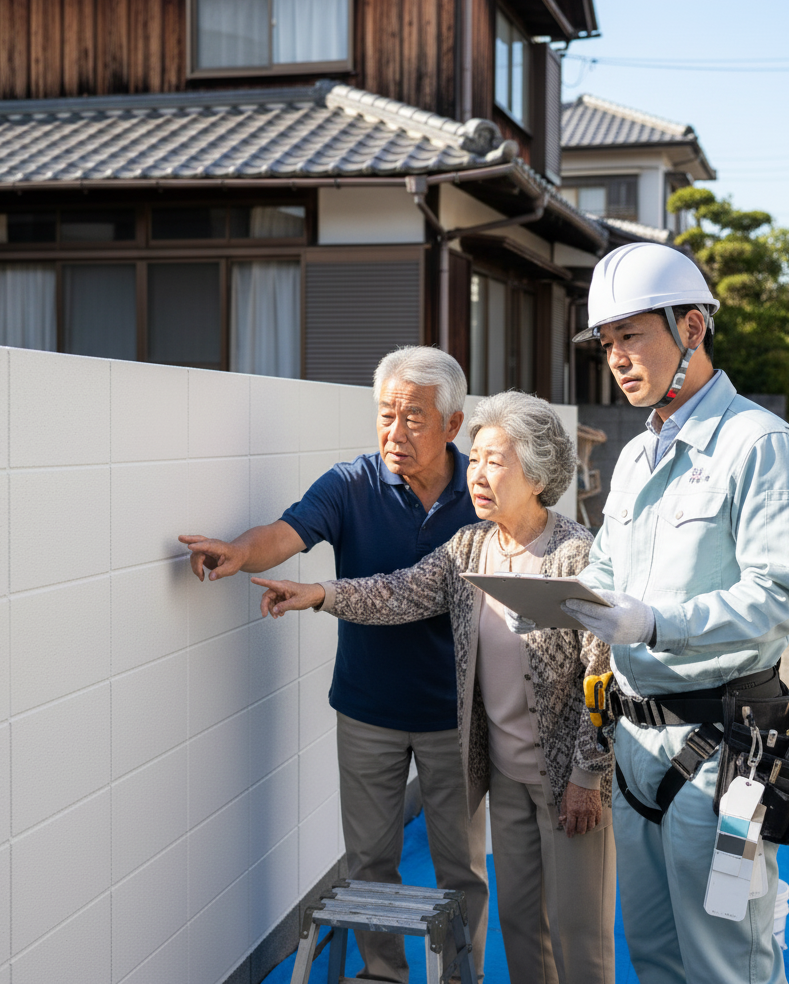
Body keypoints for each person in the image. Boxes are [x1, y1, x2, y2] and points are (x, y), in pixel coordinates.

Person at [254, 391, 616, 984]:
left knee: (581, 939)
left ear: (538, 470)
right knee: (522, 927)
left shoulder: (578, 555)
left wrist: (587, 776)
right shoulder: (471, 545)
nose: (475, 473)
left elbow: (602, 678)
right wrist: (321, 594)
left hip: (567, 781)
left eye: (494, 461)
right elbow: (400, 593)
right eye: (473, 459)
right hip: (504, 777)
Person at [178, 346, 488, 982]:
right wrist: (238, 552)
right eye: (385, 415)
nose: (394, 433)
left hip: (457, 714)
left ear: (453, 424)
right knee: (370, 861)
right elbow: (288, 532)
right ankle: (384, 975)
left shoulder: (480, 492)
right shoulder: (351, 484)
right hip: (368, 706)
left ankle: (461, 975)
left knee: (460, 868)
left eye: (414, 418)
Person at [561, 242, 789, 984]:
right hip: (637, 750)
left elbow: (776, 599)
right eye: (607, 342)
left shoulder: (760, 445)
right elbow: (607, 567)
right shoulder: (640, 454)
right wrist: (563, 602)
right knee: (655, 955)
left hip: (728, 763)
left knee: (727, 963)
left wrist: (654, 623)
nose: (617, 357)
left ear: (693, 328)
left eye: (633, 335)